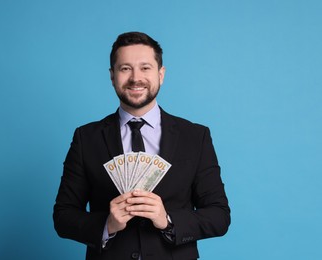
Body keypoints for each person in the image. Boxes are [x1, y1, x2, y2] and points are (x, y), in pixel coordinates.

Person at [53, 31, 230, 260]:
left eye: (145, 68)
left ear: (161, 74)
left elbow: (219, 215)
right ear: (112, 75)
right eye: (125, 68)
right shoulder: (86, 138)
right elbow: (63, 216)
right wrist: (107, 224)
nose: (136, 78)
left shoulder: (195, 137)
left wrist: (166, 220)